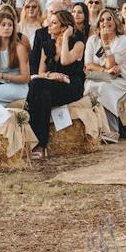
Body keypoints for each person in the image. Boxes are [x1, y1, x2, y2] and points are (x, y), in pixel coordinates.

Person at [26, 10, 85, 157]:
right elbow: (40, 73)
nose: (49, 27)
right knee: (43, 94)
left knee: (37, 86)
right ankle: (41, 144)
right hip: (51, 85)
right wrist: (51, 75)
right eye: (49, 22)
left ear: (64, 27)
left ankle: (34, 141)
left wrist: (65, 38)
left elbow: (65, 61)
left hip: (72, 86)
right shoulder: (47, 46)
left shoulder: (78, 44)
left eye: (53, 23)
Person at [83, 10, 126, 136]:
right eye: (102, 20)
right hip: (101, 76)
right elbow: (88, 64)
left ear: (115, 22)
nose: (105, 22)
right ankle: (96, 127)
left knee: (104, 88)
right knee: (89, 86)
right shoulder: (92, 40)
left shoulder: (123, 41)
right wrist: (104, 71)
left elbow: (112, 65)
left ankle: (113, 129)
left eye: (109, 19)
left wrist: (106, 44)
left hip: (121, 78)